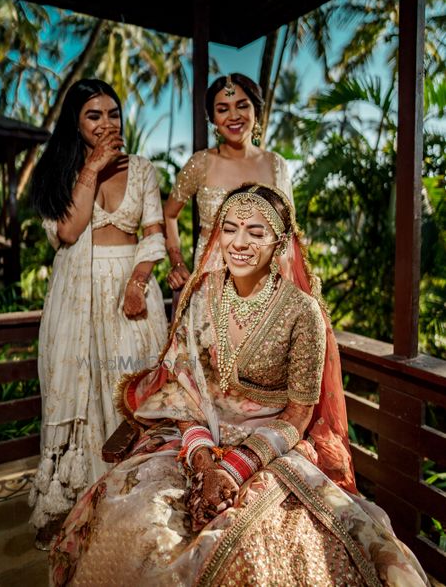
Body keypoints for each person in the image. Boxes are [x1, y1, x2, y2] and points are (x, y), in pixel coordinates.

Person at [50, 184, 427, 586]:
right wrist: (202, 460)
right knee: (133, 520)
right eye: (229, 229)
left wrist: (234, 468)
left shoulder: (304, 313)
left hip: (269, 449)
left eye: (256, 232)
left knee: (259, 550)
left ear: (280, 242)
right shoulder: (200, 295)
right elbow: (183, 392)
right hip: (195, 442)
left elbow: (299, 414)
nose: (239, 243)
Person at [28, 79, 168, 542]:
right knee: (82, 394)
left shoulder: (143, 168)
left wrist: (137, 284)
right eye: (94, 115)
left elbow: (153, 234)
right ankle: (78, 506)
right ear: (76, 122)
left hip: (131, 289)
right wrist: (91, 168)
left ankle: (129, 505)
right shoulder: (61, 170)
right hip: (77, 294)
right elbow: (68, 232)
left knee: (128, 388)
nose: (107, 123)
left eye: (113, 113)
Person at [165, 73, 293, 290]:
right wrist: (177, 262)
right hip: (211, 278)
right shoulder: (200, 163)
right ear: (213, 119)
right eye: (223, 109)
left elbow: (290, 232)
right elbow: (169, 214)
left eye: (242, 106)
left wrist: (288, 281)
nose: (234, 116)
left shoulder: (276, 164)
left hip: (265, 279)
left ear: (256, 111)